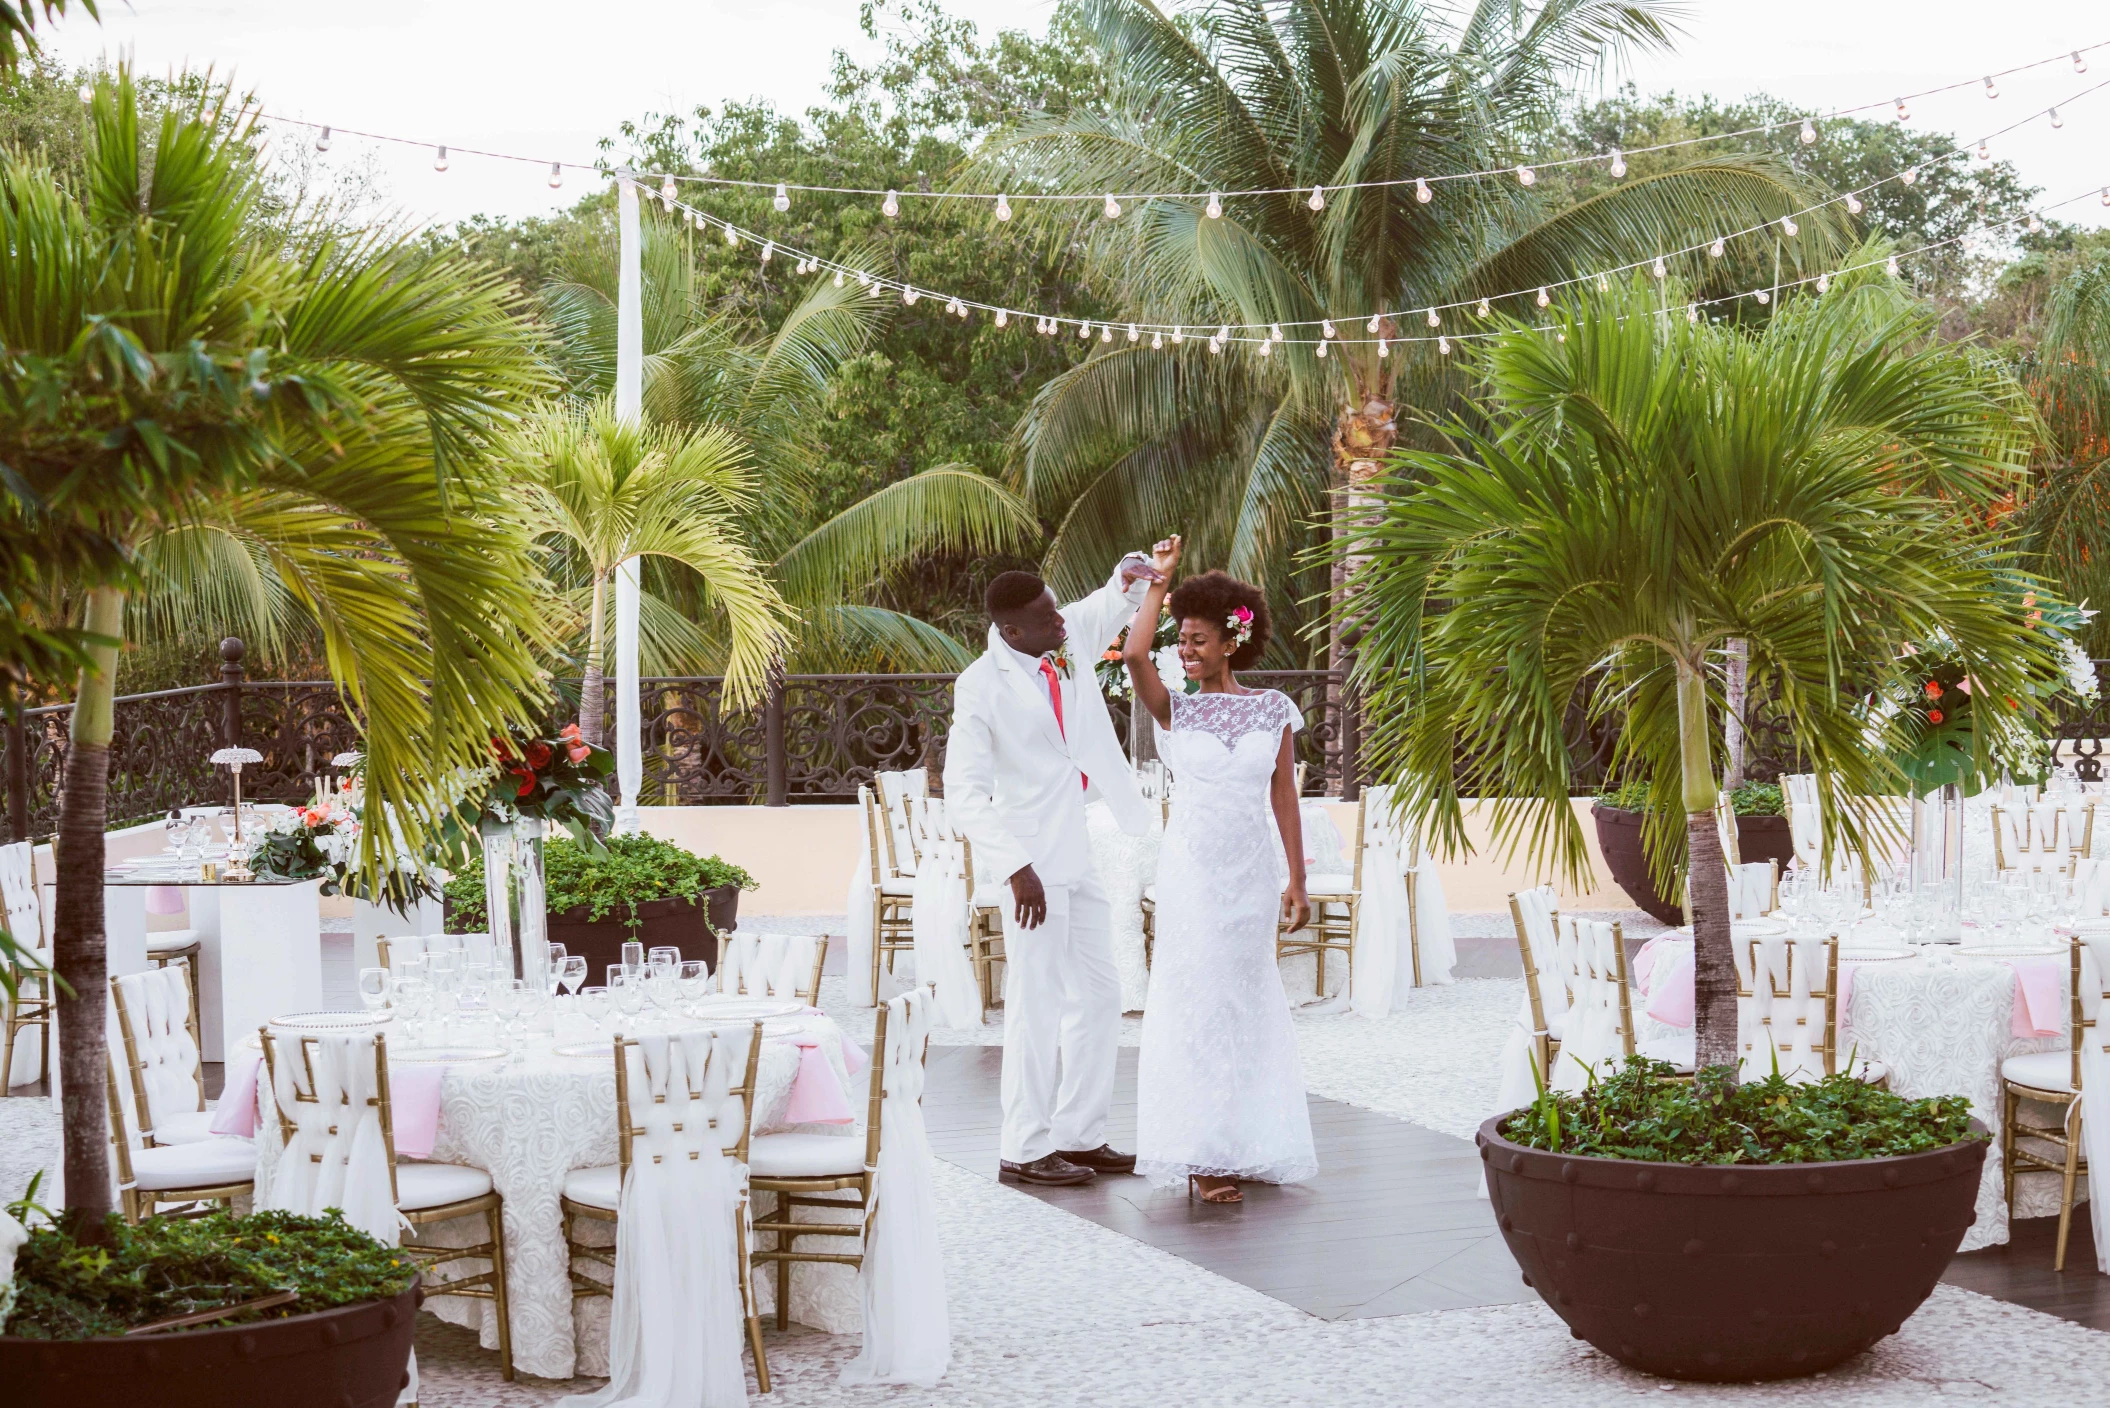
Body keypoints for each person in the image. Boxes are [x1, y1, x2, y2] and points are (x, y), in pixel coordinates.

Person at [943, 542, 1178, 1186]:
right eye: (1048, 618)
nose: (1062, 622)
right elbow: (962, 791)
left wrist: (1125, 577)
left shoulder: (1058, 640)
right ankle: (1022, 1148)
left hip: (1075, 852)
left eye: (1057, 611)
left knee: (1103, 995)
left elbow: (1101, 610)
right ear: (1011, 631)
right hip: (1031, 872)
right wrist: (1015, 866)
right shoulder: (980, 687)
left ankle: (1079, 1135)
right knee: (1035, 1005)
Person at [1124, 542, 1317, 1204]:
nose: (1187, 652)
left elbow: (1283, 797)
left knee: (1245, 1002)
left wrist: (1298, 878)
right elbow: (1133, 655)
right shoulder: (1178, 709)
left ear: (1233, 641)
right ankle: (1202, 1154)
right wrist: (1160, 584)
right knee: (1199, 1002)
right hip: (1194, 876)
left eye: (1199, 640)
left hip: (1250, 876)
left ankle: (1244, 1141)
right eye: (1183, 640)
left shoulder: (1272, 710)